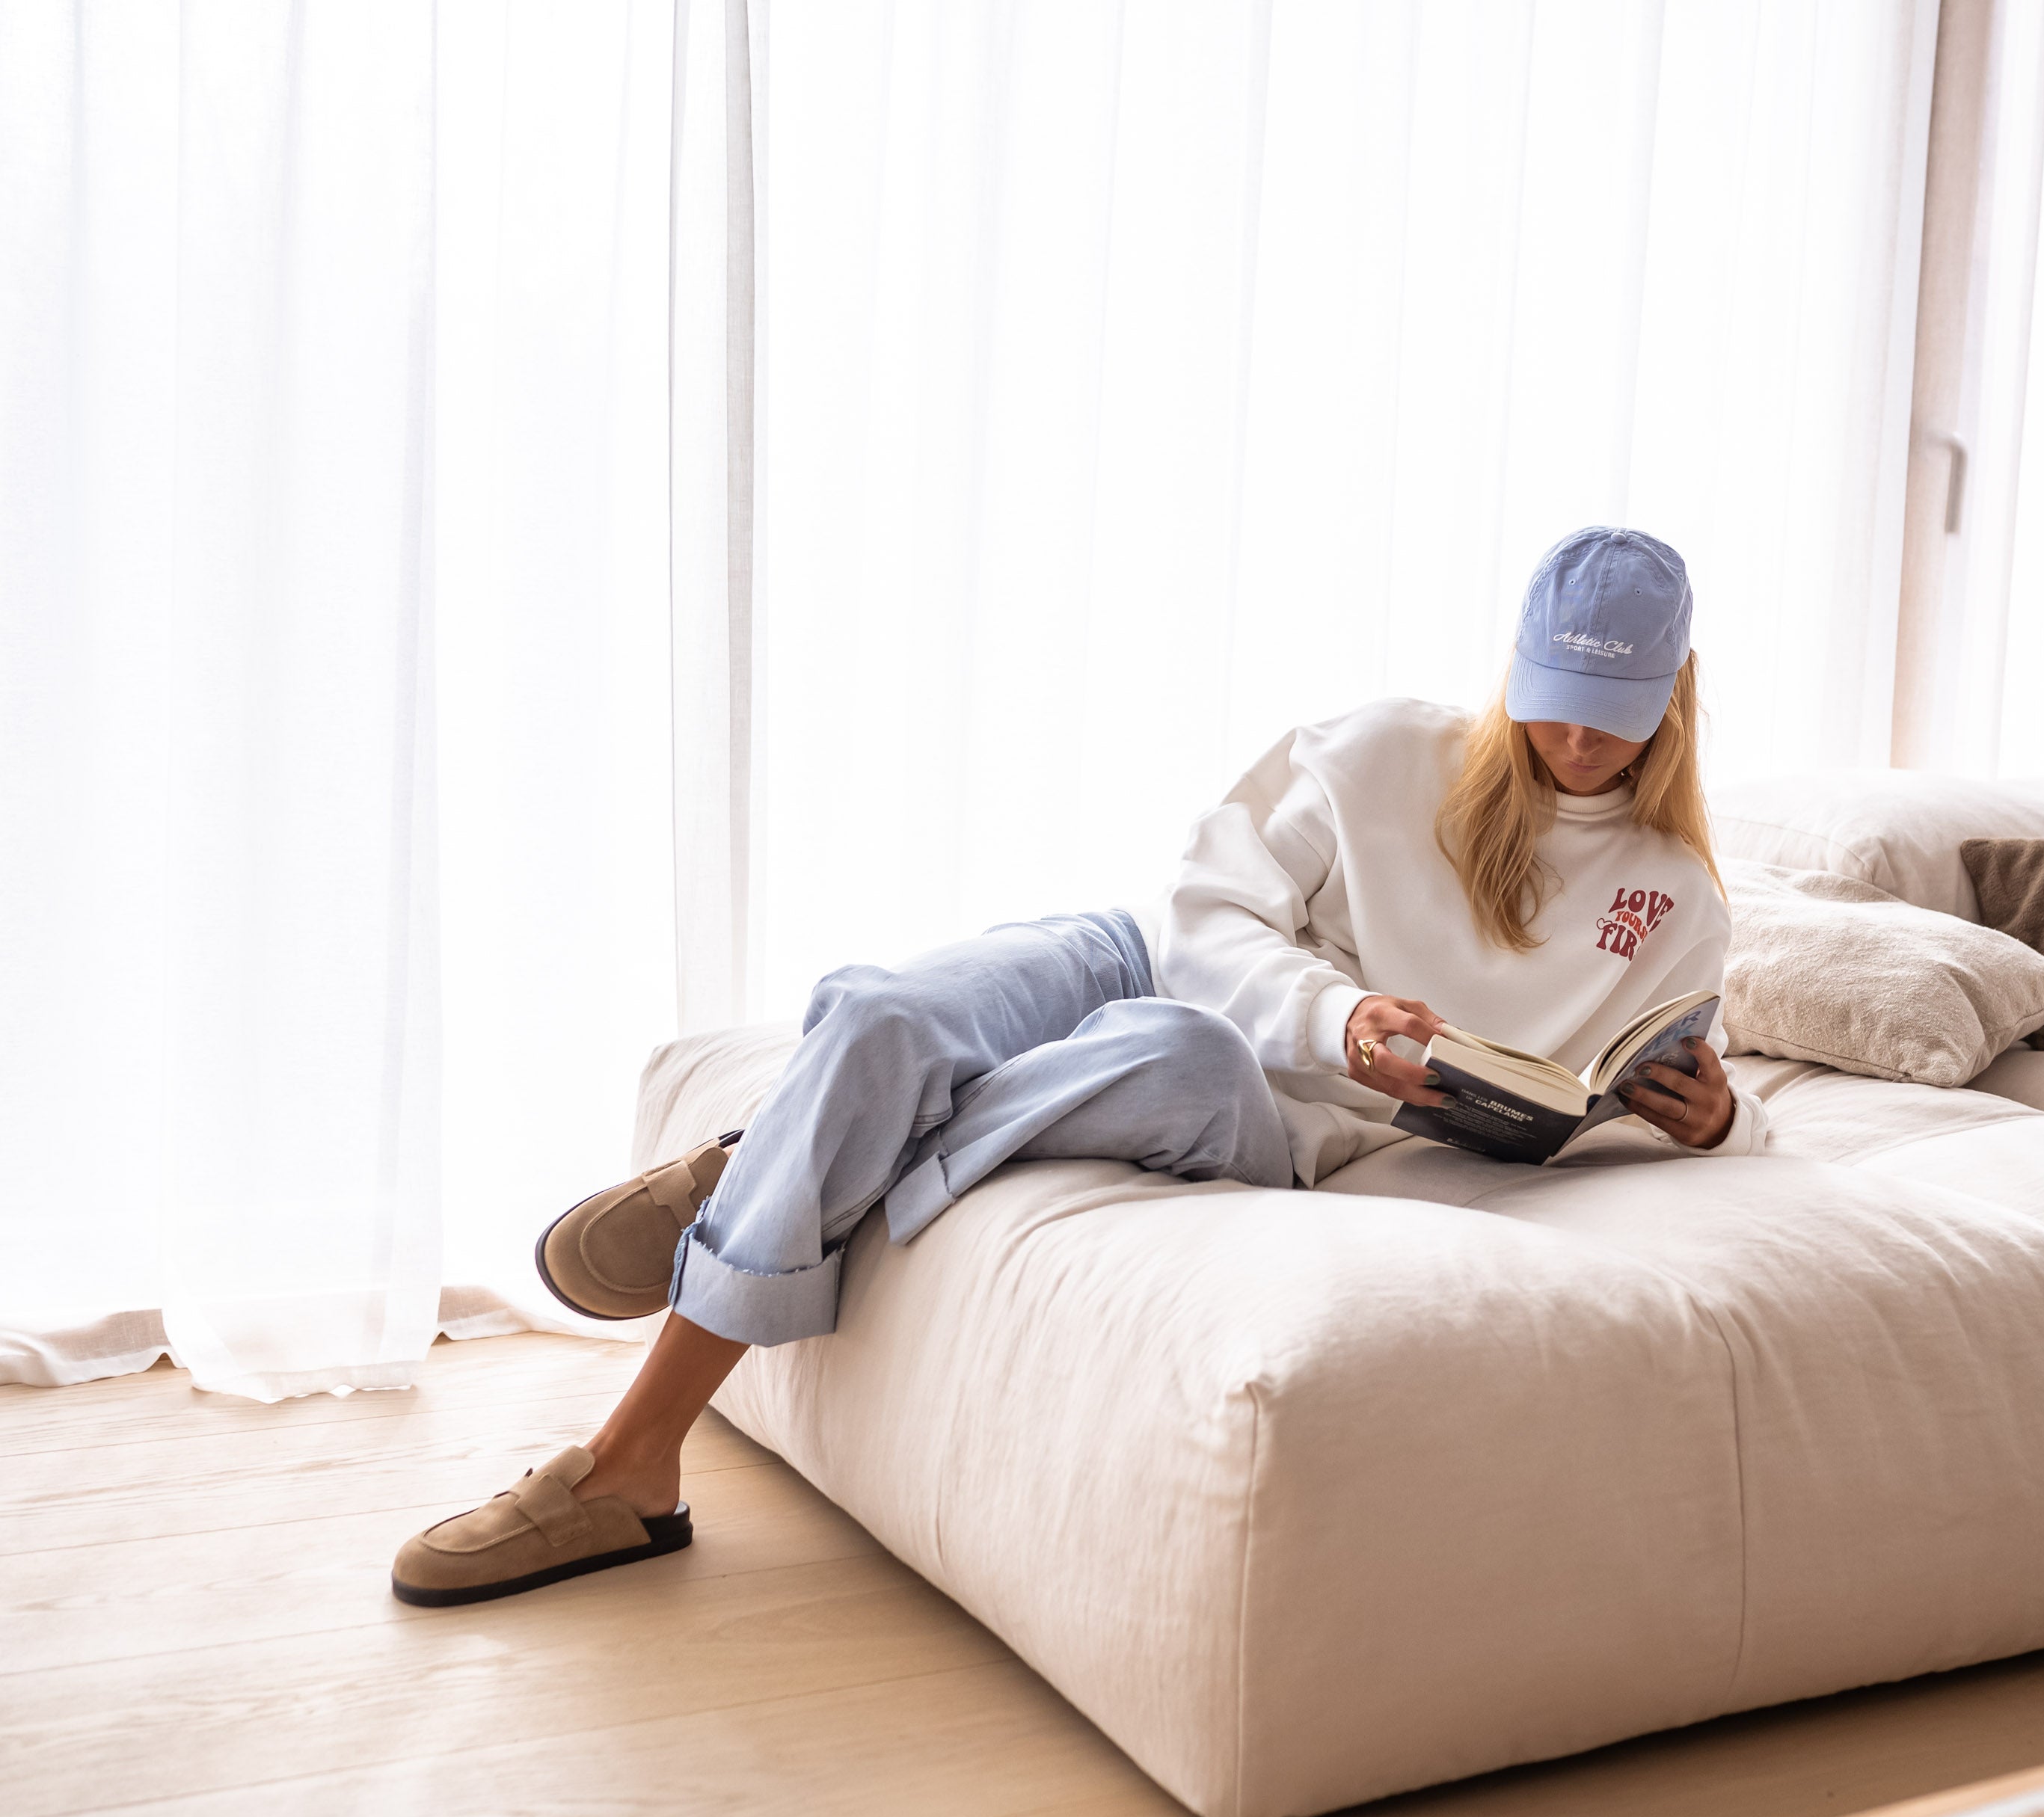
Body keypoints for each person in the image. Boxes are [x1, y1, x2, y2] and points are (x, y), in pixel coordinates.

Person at [390, 526, 1767, 1607]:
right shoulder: (1379, 749)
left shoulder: (1674, 899)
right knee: (877, 1017)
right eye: (1554, 703)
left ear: (1673, 699)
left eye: (1613, 714)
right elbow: (1204, 911)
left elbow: (1641, 1078)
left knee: (1163, 1052)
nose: (1575, 742)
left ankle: (706, 1294)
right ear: (1513, 668)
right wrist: (1336, 1015)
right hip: (1143, 956)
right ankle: (643, 1455)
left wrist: (1718, 1121)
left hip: (1251, 1095)